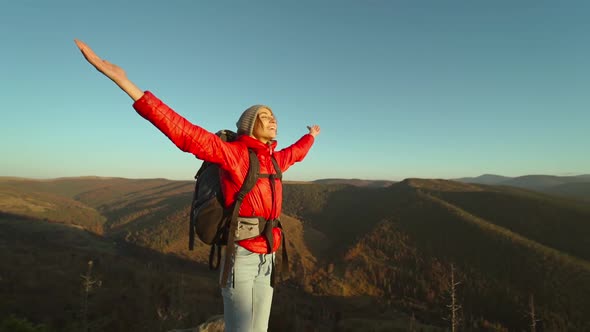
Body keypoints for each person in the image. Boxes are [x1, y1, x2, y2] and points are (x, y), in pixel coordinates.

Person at [74, 39, 320, 332]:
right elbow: (184, 132)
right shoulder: (234, 154)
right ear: (248, 125)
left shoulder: (274, 160)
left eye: (273, 116)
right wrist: (126, 83)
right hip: (241, 256)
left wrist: (312, 137)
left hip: (268, 258)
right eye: (264, 116)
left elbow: (297, 152)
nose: (272, 120)